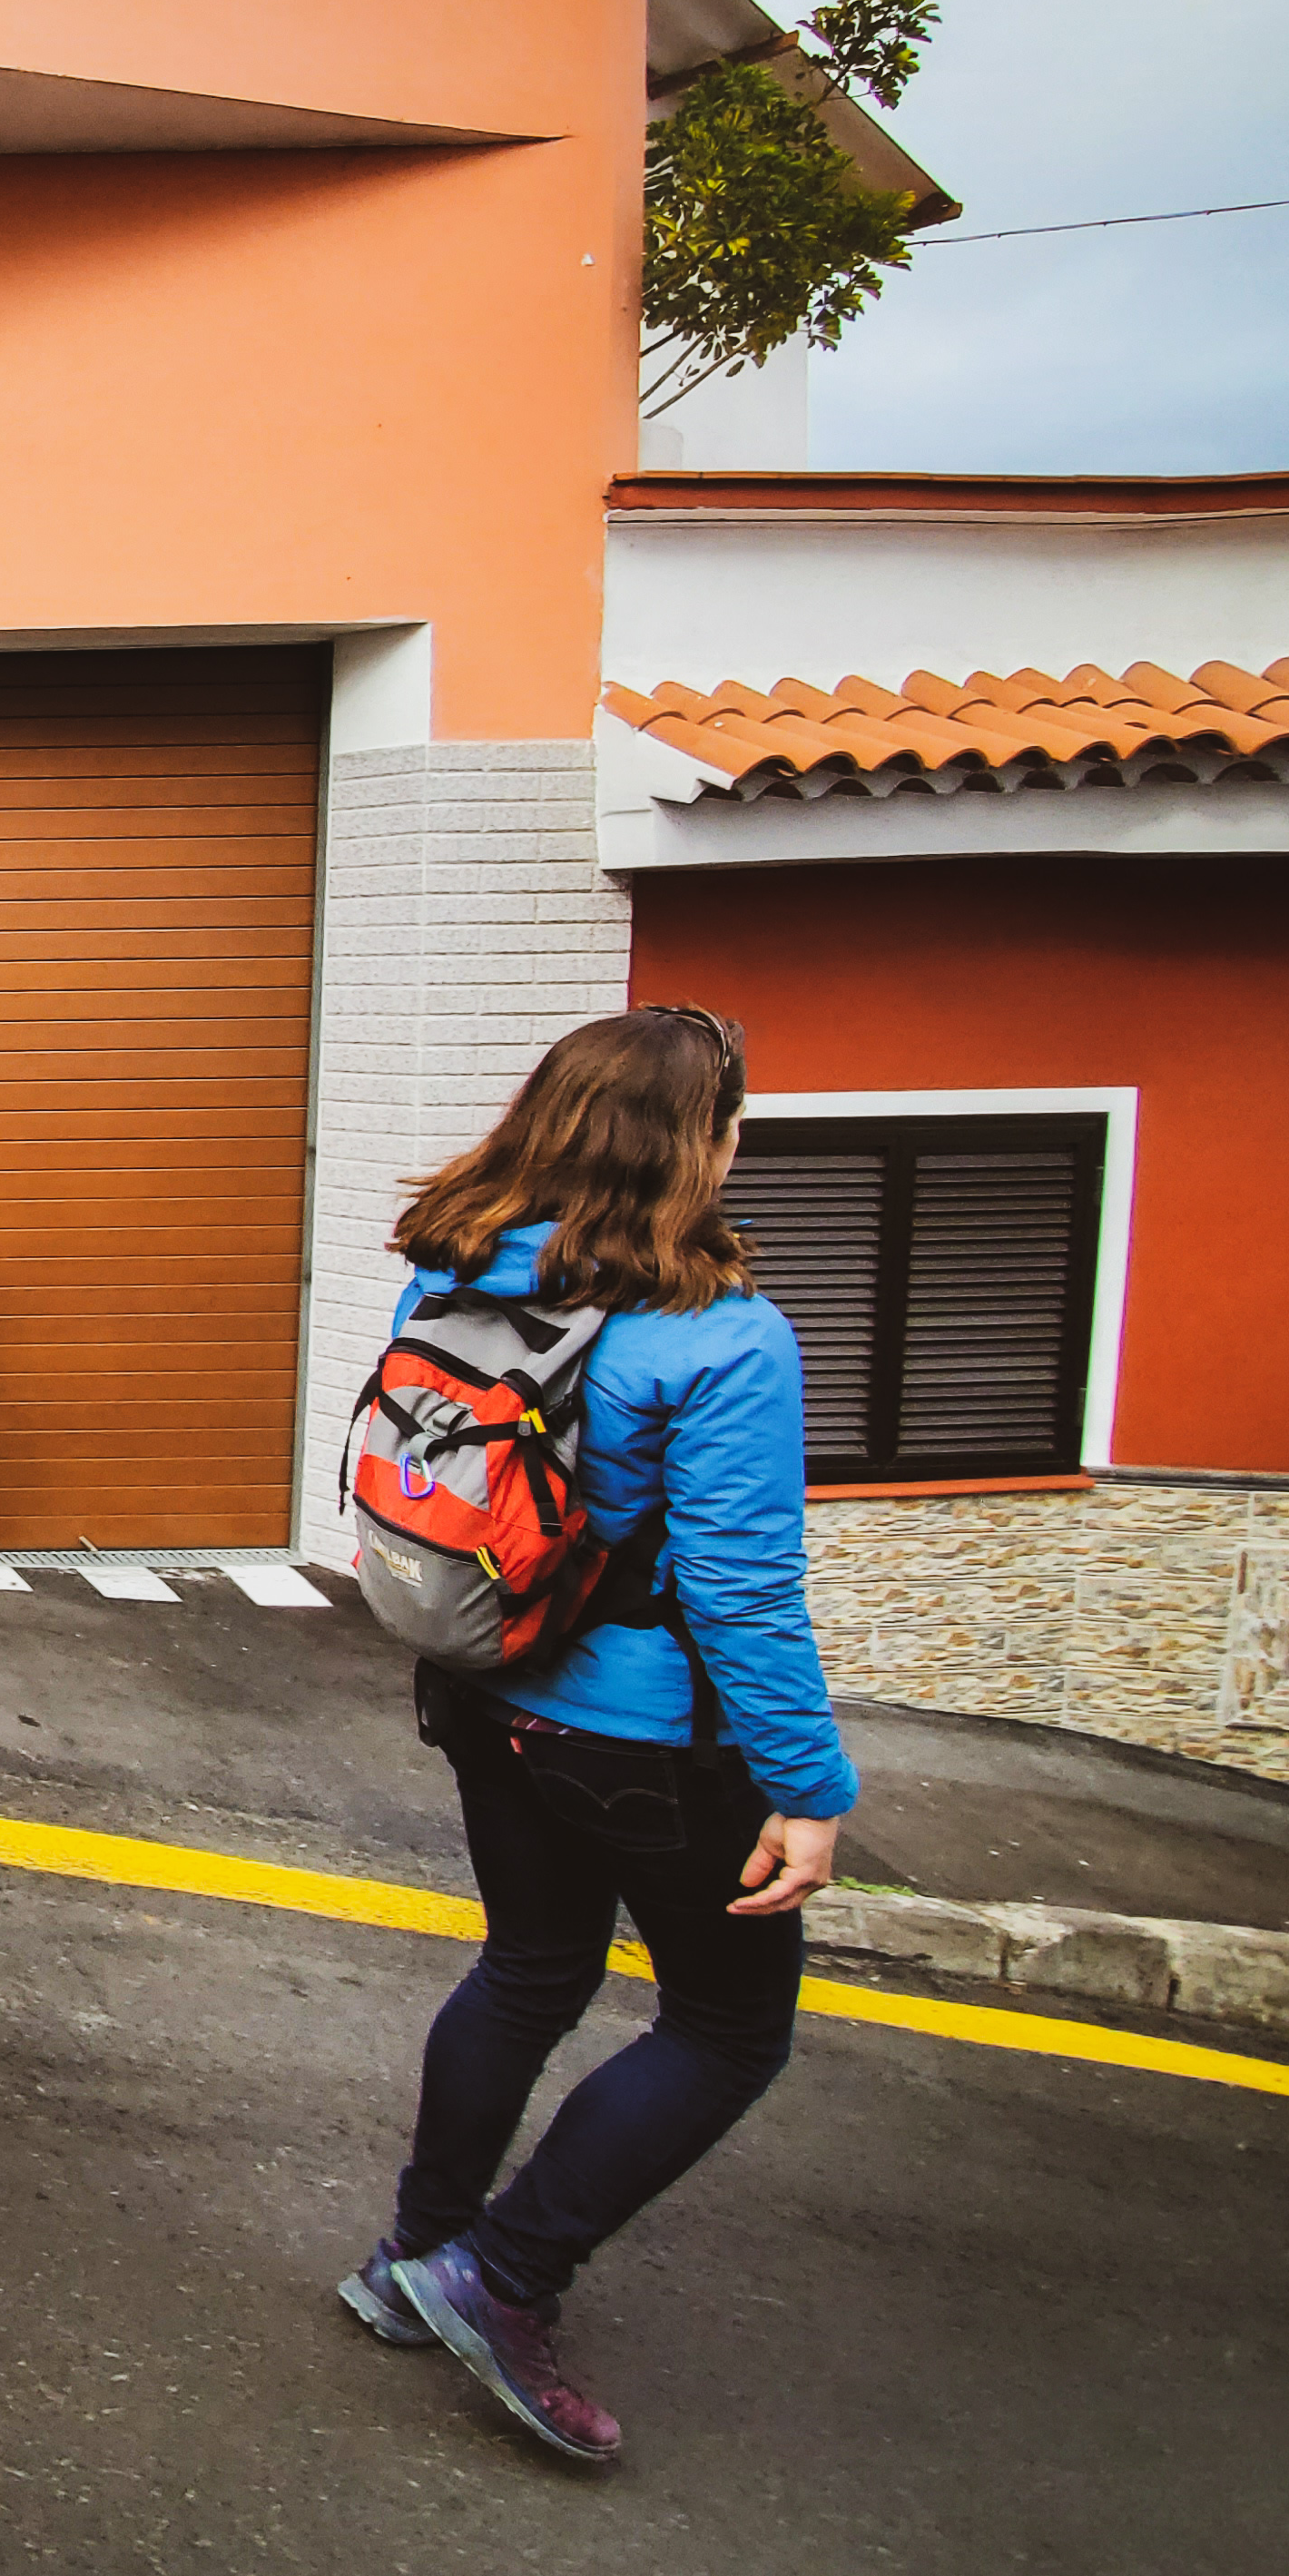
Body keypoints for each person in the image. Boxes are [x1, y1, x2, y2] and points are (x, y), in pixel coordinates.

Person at [339, 1003, 854, 2469]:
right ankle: (496, 2277)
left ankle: (410, 2258)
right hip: (642, 1742)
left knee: (526, 1965)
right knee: (724, 2025)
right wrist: (808, 1790)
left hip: (480, 1692)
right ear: (699, 1144)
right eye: (734, 1118)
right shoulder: (722, 1337)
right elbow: (744, 1596)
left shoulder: (448, 1274)